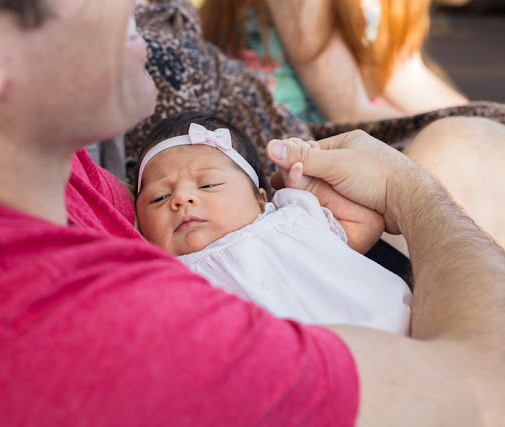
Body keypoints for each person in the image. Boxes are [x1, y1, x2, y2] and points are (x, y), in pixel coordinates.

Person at [0, 1, 505, 426]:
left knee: (472, 140)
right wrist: (412, 196)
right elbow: (487, 392)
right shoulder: (76, 327)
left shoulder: (43, 181)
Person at [127, 0, 505, 255]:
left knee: (481, 137)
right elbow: (347, 104)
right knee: (469, 151)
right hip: (307, 134)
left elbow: (404, 76)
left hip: (351, 118)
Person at [135, 112, 412, 334]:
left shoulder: (291, 217)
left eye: (208, 184)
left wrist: (312, 189)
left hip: (391, 327)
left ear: (260, 200)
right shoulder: (167, 281)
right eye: (159, 197)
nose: (181, 198)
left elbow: (366, 224)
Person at [198, 0, 468, 123]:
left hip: (362, 125)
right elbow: (348, 112)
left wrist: (489, 122)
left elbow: (403, 76)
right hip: (293, 143)